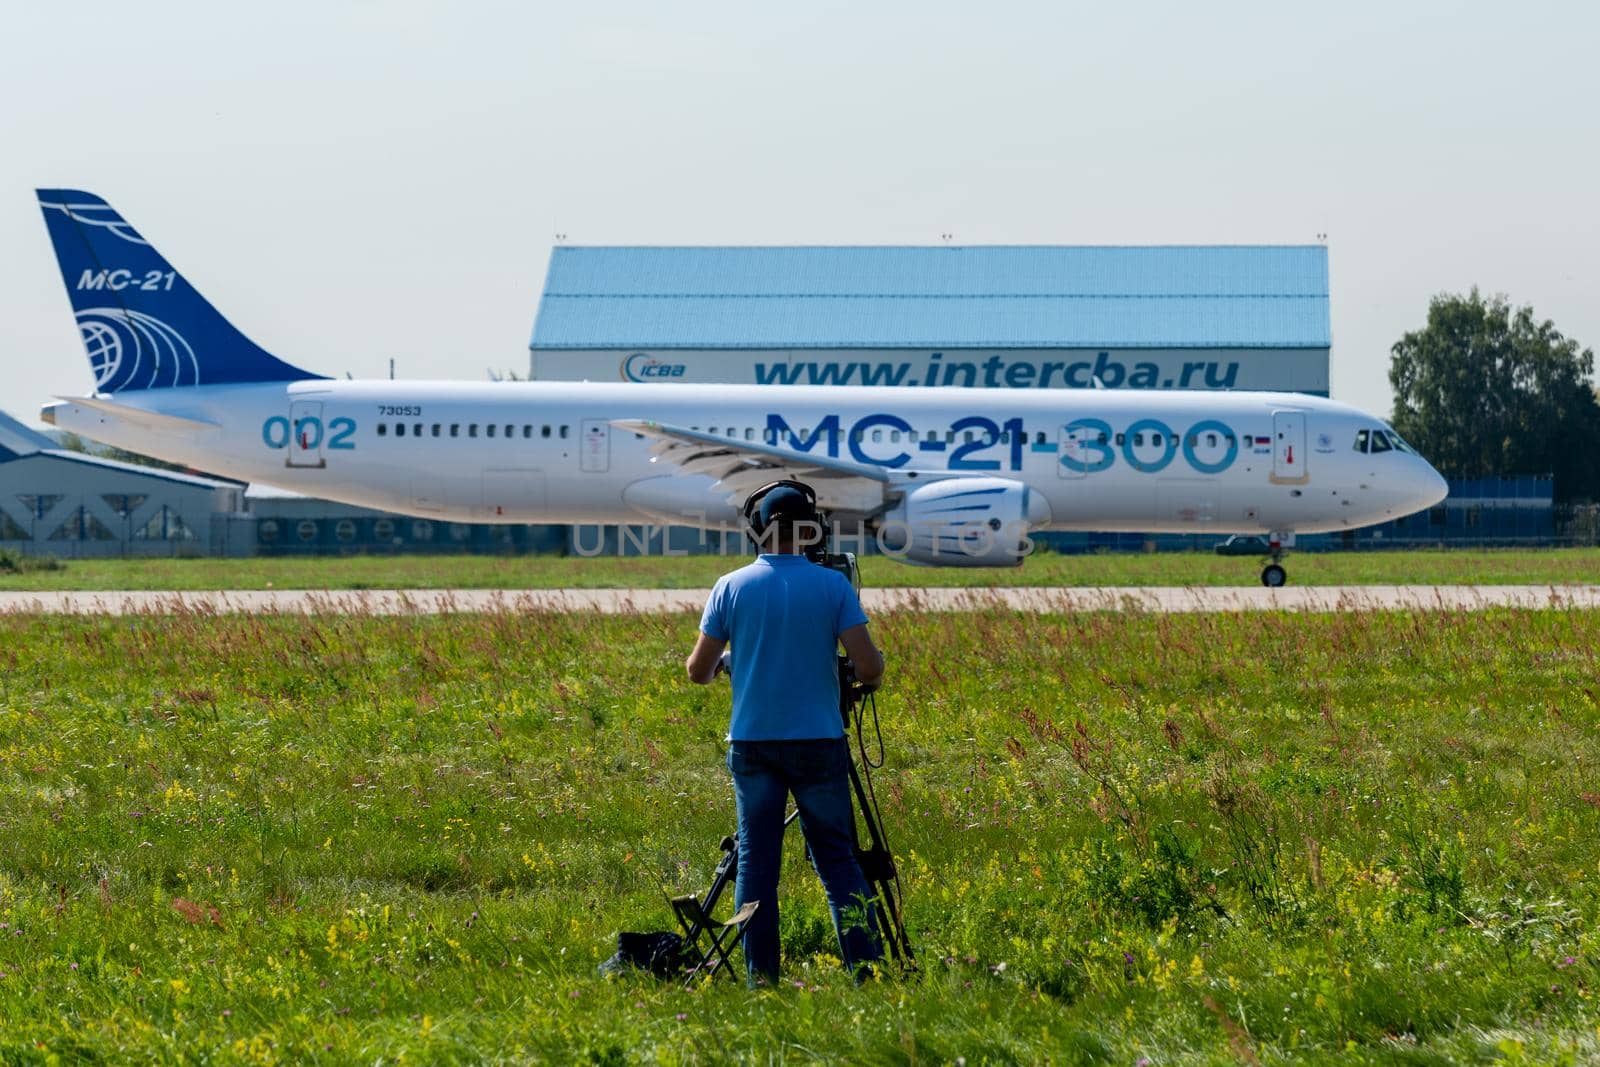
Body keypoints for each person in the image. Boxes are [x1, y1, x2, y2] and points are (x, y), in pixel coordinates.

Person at [684, 481, 886, 985]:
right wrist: (865, 675)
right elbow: (868, 666)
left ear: (758, 528)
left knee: (755, 864)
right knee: (839, 862)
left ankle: (762, 982)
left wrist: (731, 662)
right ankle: (868, 974)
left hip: (753, 744)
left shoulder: (730, 586)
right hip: (818, 741)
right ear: (810, 530)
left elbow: (697, 671)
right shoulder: (833, 586)